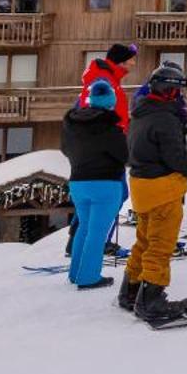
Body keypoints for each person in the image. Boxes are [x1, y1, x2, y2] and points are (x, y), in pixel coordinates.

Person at [121, 65, 187, 324]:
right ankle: (151, 300)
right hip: (162, 190)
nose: (180, 96)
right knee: (160, 246)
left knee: (143, 241)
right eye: (178, 91)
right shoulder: (165, 118)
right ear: (169, 90)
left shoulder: (141, 113)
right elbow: (174, 158)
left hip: (142, 187)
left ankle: (130, 291)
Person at [61, 81, 128, 289]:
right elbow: (124, 155)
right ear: (110, 102)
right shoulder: (110, 128)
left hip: (78, 183)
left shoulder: (72, 126)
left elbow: (64, 149)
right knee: (97, 232)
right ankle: (88, 277)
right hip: (105, 185)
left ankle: (75, 273)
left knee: (84, 227)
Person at [78, 43, 137, 132]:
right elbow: (89, 110)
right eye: (131, 60)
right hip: (104, 139)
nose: (133, 63)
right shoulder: (102, 79)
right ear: (121, 61)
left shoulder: (111, 78)